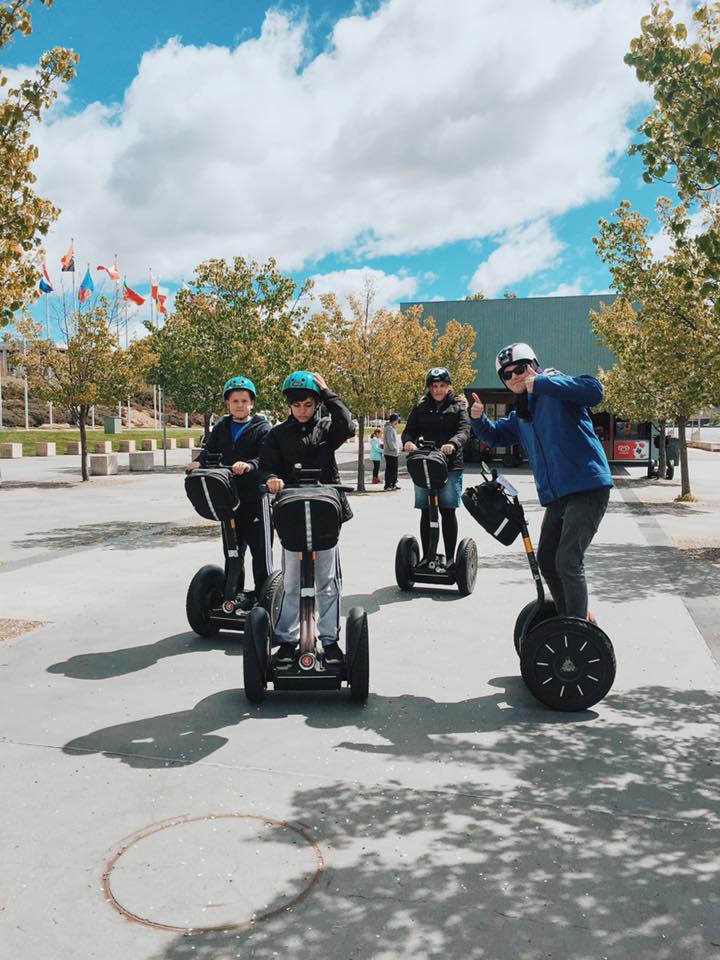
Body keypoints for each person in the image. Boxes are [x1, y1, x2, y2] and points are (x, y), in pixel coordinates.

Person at [469, 342, 613, 621]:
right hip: (558, 497)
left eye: (519, 368)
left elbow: (595, 391)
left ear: (534, 365)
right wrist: (479, 419)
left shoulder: (555, 385)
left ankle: (577, 626)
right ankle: (570, 618)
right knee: (547, 561)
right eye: (506, 375)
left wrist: (544, 383)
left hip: (587, 486)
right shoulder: (523, 413)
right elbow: (495, 436)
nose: (514, 377)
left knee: (568, 561)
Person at [259, 370, 355, 664]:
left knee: (327, 581)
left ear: (316, 405)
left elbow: (348, 425)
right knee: (291, 583)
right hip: (292, 515)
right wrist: (273, 477)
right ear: (289, 405)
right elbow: (266, 467)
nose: (302, 410)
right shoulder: (277, 434)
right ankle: (287, 641)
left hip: (326, 514)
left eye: (309, 405)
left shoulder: (327, 429)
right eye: (297, 405)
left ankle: (330, 640)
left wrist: (327, 392)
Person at [186, 375, 273, 605]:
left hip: (255, 498)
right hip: (228, 498)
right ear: (228, 403)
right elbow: (209, 451)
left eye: (244, 400)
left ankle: (263, 600)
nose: (240, 405)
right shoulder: (222, 427)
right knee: (233, 552)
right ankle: (233, 596)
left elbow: (265, 458)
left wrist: (250, 465)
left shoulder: (262, 427)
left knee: (260, 554)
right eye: (235, 401)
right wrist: (199, 462)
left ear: (252, 403)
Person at [402, 367, 471, 568]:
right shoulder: (421, 407)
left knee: (447, 511)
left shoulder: (458, 406)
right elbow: (409, 431)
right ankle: (427, 557)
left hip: (450, 465)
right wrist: (408, 442)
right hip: (425, 463)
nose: (438, 390)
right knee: (426, 510)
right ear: (430, 388)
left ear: (449, 386)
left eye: (442, 386)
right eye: (434, 386)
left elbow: (464, 430)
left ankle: (450, 558)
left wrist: (453, 443)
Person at [383, 413, 402, 491]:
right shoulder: (389, 428)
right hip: (390, 453)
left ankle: (393, 483)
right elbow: (390, 440)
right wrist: (394, 448)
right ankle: (388, 485)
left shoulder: (392, 428)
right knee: (391, 469)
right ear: (395, 420)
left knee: (394, 469)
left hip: (393, 453)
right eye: (398, 420)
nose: (398, 421)